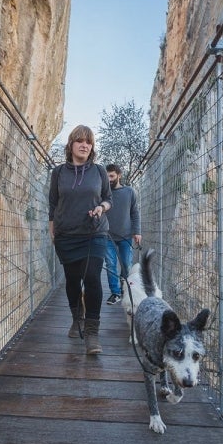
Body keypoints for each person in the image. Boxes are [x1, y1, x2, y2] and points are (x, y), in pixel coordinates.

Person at [48, 125, 112, 354]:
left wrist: (101, 208)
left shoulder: (99, 171)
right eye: (80, 141)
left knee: (93, 278)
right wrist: (52, 230)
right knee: (73, 281)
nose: (85, 145)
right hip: (66, 236)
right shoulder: (58, 173)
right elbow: (53, 204)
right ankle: (77, 318)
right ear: (71, 145)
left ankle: (92, 334)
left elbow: (108, 198)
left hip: (95, 233)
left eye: (89, 142)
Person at [104, 164, 141, 305]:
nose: (109, 179)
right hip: (107, 237)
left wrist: (137, 231)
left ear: (119, 175)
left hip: (126, 236)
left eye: (112, 176)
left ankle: (125, 290)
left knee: (126, 265)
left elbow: (135, 213)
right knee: (110, 264)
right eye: (106, 177)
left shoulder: (129, 192)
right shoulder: (103, 193)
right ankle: (115, 293)